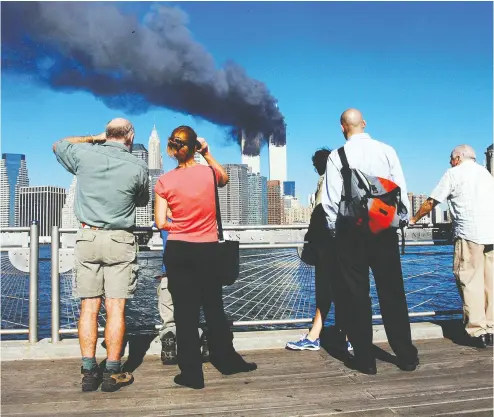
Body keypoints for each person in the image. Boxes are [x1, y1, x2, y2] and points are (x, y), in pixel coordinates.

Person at [154, 125, 257, 389]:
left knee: (185, 315)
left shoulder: (164, 181)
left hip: (178, 250)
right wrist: (208, 153)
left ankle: (192, 374)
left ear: (173, 149)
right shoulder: (209, 173)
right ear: (193, 147)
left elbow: (160, 222)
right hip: (208, 250)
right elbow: (224, 178)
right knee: (214, 308)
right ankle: (227, 362)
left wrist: (179, 225)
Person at [53, 118, 149, 392]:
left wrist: (93, 139)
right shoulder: (138, 165)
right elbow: (142, 200)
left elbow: (58, 144)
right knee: (116, 307)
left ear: (106, 134)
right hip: (121, 239)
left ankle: (88, 371)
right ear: (129, 136)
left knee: (89, 307)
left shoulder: (85, 154)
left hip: (88, 237)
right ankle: (112, 373)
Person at [322, 108, 419, 375]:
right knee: (393, 293)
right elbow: (400, 187)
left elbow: (330, 201)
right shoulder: (387, 150)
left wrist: (335, 232)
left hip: (351, 233)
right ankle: (406, 355)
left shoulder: (336, 156)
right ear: (364, 124)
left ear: (343, 127)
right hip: (384, 230)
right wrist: (401, 221)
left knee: (356, 296)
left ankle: (365, 359)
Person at [410, 144, 494, 348]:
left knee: (469, 280)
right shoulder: (486, 174)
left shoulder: (453, 174)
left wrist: (413, 219)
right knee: (490, 283)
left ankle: (478, 331)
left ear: (458, 157)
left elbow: (432, 201)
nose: (449, 161)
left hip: (469, 234)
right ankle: (491, 327)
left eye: (450, 158)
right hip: (491, 233)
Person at [286, 148, 352, 353]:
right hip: (345, 243)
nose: (314, 168)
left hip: (328, 244)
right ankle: (348, 336)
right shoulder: (344, 178)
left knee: (325, 289)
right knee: (345, 290)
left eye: (315, 164)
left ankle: (315, 336)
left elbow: (323, 211)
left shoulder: (325, 180)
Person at [155, 226, 209, 364]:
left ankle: (169, 336)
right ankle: (201, 336)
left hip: (169, 273)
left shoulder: (165, 219)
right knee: (191, 315)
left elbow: (158, 222)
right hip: (195, 273)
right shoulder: (196, 216)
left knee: (168, 316)